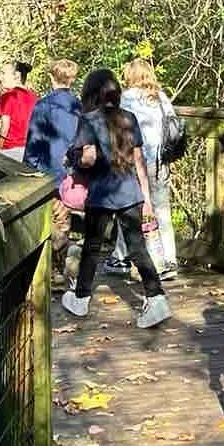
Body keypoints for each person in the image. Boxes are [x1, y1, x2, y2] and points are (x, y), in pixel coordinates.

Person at [61, 69, 170, 330]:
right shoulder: (129, 118)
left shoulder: (88, 120)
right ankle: (156, 298)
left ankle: (81, 298)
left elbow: (87, 158)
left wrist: (73, 159)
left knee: (92, 246)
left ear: (92, 92)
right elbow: (139, 162)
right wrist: (146, 199)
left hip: (102, 192)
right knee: (137, 247)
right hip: (130, 190)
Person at [116, 57, 181, 279]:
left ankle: (126, 258)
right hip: (160, 162)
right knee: (162, 210)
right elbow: (174, 128)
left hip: (135, 161)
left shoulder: (124, 99)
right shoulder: (161, 98)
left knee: (130, 211)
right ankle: (169, 260)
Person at [23, 58, 83, 268]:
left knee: (51, 219)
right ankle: (62, 263)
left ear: (51, 77)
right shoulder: (79, 106)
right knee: (63, 218)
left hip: (48, 171)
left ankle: (54, 267)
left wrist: (27, 168)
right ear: (72, 79)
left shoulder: (43, 105)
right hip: (72, 171)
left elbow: (34, 140)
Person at [0, 61, 38, 159]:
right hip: (29, 150)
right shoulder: (34, 97)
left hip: (10, 150)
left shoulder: (8, 96)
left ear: (17, 76)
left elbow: (5, 127)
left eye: (3, 73)